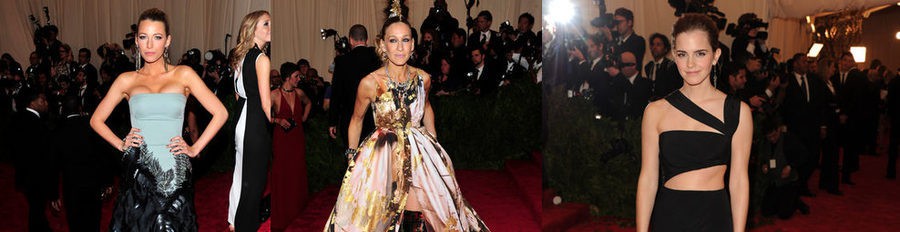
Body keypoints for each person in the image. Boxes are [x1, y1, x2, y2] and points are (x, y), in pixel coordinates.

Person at [324, 3, 489, 231]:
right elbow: (356, 119)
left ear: (413, 44)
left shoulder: (424, 78)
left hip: (418, 152)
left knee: (418, 212)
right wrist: (352, 158)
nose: (399, 47)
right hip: (383, 155)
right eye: (393, 40)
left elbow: (427, 108)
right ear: (382, 44)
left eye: (405, 40)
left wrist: (435, 143)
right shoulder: (370, 83)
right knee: (380, 216)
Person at [89, 8, 228, 231]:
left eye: (157, 37)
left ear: (168, 41)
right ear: (136, 40)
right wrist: (121, 144)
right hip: (139, 173)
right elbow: (96, 120)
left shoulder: (183, 74)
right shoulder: (127, 80)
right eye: (143, 37)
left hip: (174, 172)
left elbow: (221, 112)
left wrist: (194, 148)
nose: (150, 45)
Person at [636, 14, 752, 232]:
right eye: (682, 54)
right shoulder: (655, 111)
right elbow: (648, 178)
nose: (690, 64)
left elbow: (738, 181)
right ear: (674, 56)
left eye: (700, 53)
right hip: (669, 217)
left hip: (715, 217)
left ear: (716, 55)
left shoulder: (739, 112)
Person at [228, 10, 272, 232]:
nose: (270, 27)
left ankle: (235, 222)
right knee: (254, 180)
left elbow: (237, 94)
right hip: (254, 123)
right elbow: (266, 104)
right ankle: (245, 225)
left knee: (241, 174)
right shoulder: (261, 59)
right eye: (266, 24)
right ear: (254, 29)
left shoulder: (240, 56)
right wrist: (273, 123)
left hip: (241, 118)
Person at [54, 96, 114, 232]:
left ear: (63, 110)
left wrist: (54, 194)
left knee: (75, 222)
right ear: (80, 109)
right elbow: (104, 155)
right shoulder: (93, 126)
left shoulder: (58, 131)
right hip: (93, 183)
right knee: (93, 220)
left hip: (72, 185)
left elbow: (54, 165)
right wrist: (108, 181)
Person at [9, 88, 58, 232]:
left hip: (23, 174)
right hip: (37, 177)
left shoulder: (17, 118)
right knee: (36, 210)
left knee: (36, 209)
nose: (46, 103)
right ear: (32, 103)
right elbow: (45, 157)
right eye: (42, 100)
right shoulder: (38, 125)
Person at [270, 62, 312, 231]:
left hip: (297, 138)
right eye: (296, 76)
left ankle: (297, 208)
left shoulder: (300, 93)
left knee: (297, 171)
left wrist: (303, 118)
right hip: (281, 140)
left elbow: (309, 103)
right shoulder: (273, 95)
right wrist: (277, 120)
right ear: (287, 78)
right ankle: (283, 209)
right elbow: (262, 114)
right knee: (282, 173)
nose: (299, 79)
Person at [329, 24, 381, 143]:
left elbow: (336, 93)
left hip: (350, 118)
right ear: (367, 40)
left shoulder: (342, 61)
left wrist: (333, 121)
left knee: (353, 158)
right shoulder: (376, 58)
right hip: (374, 119)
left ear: (350, 40)